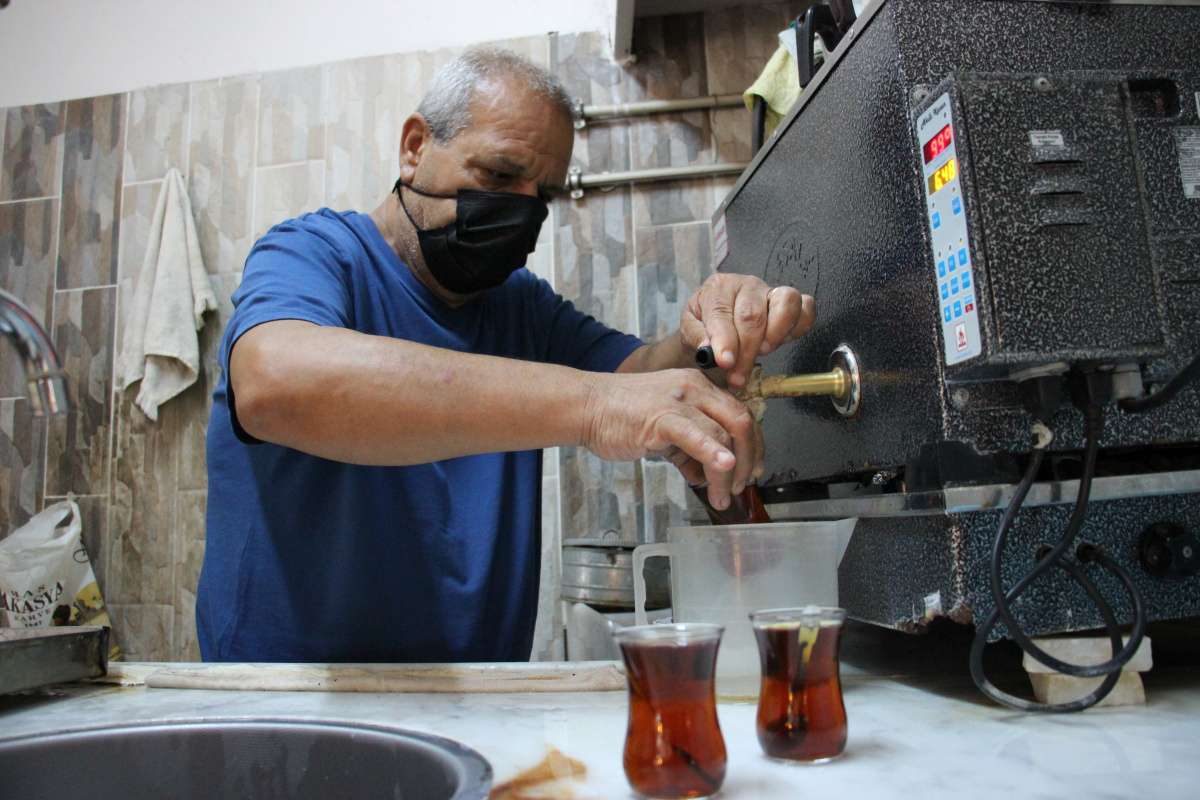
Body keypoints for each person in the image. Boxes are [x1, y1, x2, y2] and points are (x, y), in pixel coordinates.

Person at [196, 47, 815, 663]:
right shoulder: (315, 253)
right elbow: (274, 382)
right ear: (415, 147)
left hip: (477, 702)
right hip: (288, 704)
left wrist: (710, 336)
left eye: (541, 194)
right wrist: (594, 407)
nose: (519, 211)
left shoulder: (520, 307)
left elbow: (646, 378)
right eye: (497, 175)